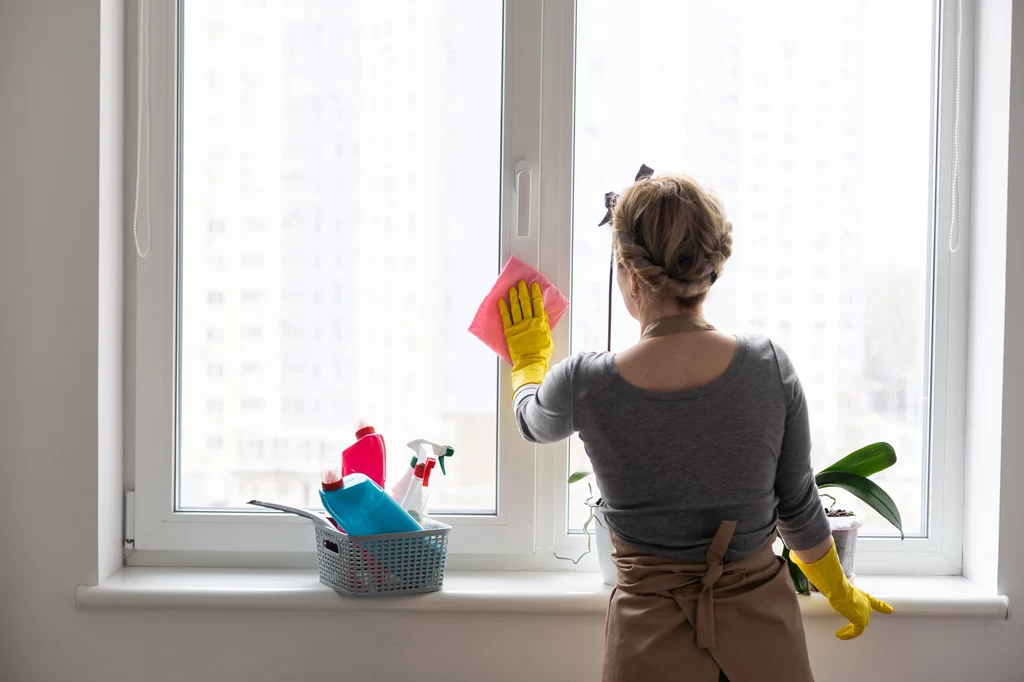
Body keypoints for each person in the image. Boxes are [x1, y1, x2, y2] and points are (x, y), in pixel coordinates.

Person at [497, 166, 893, 682]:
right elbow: (797, 506)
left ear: (630, 272)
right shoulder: (768, 366)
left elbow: (532, 423)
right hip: (765, 641)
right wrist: (839, 590)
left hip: (650, 644)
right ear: (711, 269)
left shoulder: (584, 382)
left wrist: (528, 361)